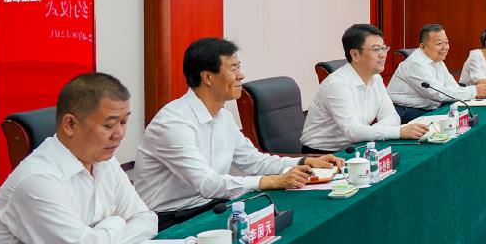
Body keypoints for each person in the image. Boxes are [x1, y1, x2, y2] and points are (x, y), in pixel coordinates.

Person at [0, 73, 157, 244]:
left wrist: (100, 239)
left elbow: (147, 220)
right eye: (109, 125)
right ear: (70, 124)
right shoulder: (38, 179)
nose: (119, 134)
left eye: (123, 122)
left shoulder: (104, 161)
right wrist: (118, 222)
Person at [133, 37, 343, 230]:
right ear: (208, 77)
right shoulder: (173, 122)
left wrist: (304, 162)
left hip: (213, 206)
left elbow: (255, 162)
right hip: (171, 221)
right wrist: (272, 181)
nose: (241, 75)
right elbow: (207, 184)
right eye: (233, 68)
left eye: (239, 67)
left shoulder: (223, 117)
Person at [301, 24, 429, 153]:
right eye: (376, 49)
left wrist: (372, 132)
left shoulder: (376, 78)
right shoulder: (337, 84)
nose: (383, 54)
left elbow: (392, 116)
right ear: (355, 55)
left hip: (359, 145)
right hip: (322, 154)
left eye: (384, 48)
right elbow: (352, 132)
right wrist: (398, 132)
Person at [388, 24, 486, 121]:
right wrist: (473, 91)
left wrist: (473, 92)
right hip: (405, 111)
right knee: (451, 122)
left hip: (426, 107)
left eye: (446, 42)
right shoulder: (415, 63)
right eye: (439, 44)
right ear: (423, 46)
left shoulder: (437, 60)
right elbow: (438, 94)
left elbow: (453, 87)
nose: (445, 47)